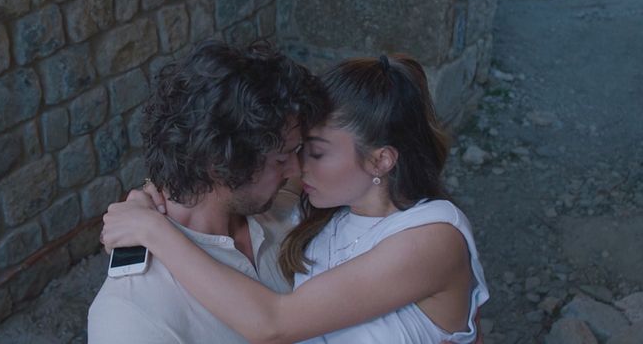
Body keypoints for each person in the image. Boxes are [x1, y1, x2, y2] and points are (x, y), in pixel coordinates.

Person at [101, 54, 489, 343]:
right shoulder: (320, 210)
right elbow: (198, 161)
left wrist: (153, 230)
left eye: (312, 152)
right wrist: (145, 197)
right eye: (292, 153)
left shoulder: (428, 238)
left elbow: (273, 323)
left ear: (381, 160)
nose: (297, 168)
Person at [87, 40, 327, 343]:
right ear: (219, 163)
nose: (296, 170)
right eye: (281, 159)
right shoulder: (130, 316)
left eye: (298, 151)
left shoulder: (285, 208)